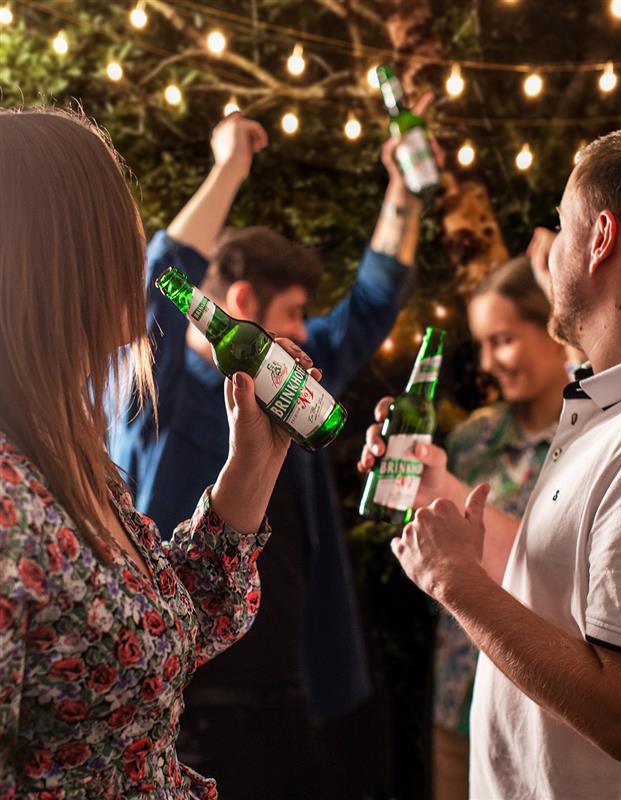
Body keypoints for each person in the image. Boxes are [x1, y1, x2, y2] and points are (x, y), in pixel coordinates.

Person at [110, 102, 432, 798]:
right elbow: (163, 277)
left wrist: (405, 186)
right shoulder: (152, 387)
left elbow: (373, 302)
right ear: (243, 298)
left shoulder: (289, 381)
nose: (305, 333)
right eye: (292, 313)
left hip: (294, 698)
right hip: (183, 709)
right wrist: (230, 166)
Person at [0, 107, 319, 798]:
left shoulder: (71, 451)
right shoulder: (7, 504)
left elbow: (170, 623)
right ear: (59, 255)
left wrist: (255, 459)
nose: (144, 255)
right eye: (124, 226)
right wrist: (231, 166)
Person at [365, 125, 621, 799]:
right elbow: (561, 591)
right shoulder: (602, 407)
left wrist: (456, 582)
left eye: (560, 225)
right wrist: (442, 488)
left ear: (600, 238)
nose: (545, 250)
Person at [359, 254, 569, 799]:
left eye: (502, 339)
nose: (489, 360)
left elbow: (560, 571)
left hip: (555, 711)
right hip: (460, 701)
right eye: (480, 343)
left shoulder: (589, 444)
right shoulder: (474, 440)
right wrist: (405, 483)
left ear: (552, 326)